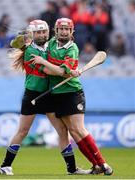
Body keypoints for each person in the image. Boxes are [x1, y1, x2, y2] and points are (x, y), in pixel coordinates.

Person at [0, 19, 91, 176]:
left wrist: (70, 69)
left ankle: (72, 169)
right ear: (32, 34)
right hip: (33, 95)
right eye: (38, 32)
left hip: (48, 95)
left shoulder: (51, 47)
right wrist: (67, 72)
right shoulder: (29, 51)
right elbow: (48, 70)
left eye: (44, 32)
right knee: (23, 131)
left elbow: (62, 61)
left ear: (48, 32)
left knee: (62, 131)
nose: (42, 35)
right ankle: (5, 166)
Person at [31, 18, 113, 175]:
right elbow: (53, 70)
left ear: (71, 31)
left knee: (79, 129)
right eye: (61, 28)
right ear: (56, 30)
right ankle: (95, 165)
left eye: (67, 29)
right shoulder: (51, 44)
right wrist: (59, 69)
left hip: (72, 92)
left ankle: (103, 163)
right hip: (57, 94)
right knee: (73, 132)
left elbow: (62, 72)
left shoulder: (72, 48)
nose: (63, 31)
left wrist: (53, 66)